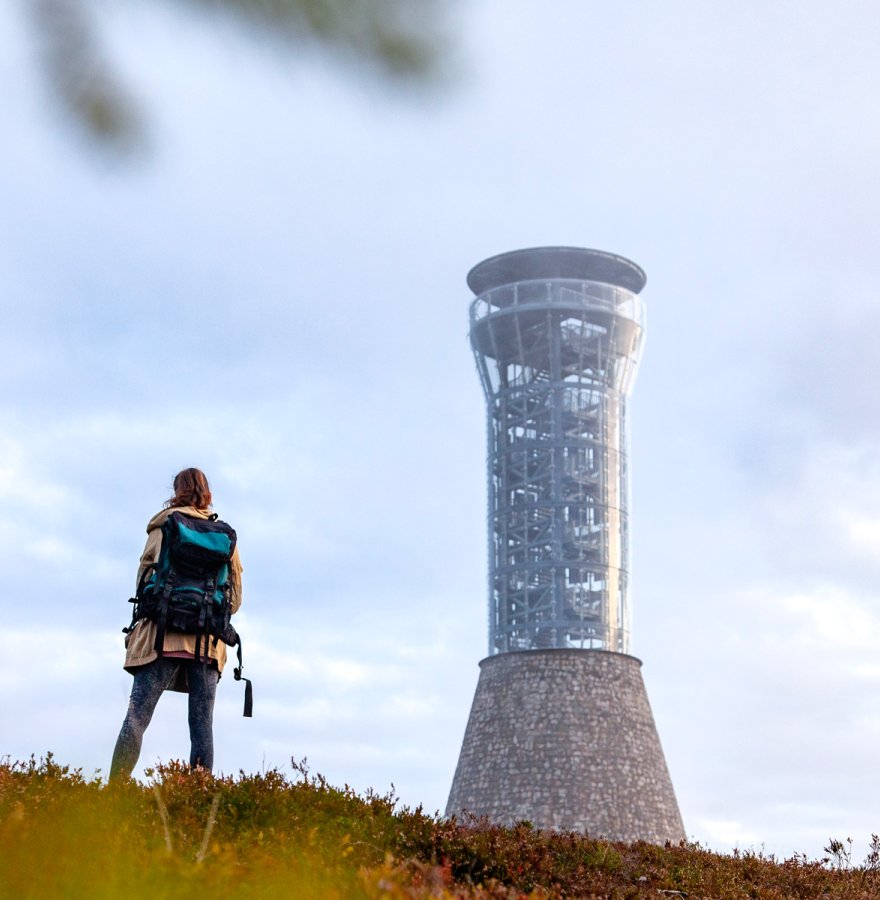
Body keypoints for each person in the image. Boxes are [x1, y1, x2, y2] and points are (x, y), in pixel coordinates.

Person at [109, 468, 243, 779]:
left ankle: (112, 794)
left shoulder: (163, 527)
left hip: (161, 636)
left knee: (137, 718)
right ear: (207, 493)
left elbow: (143, 582)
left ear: (176, 491)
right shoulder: (224, 538)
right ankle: (197, 796)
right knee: (202, 726)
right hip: (207, 643)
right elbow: (234, 600)